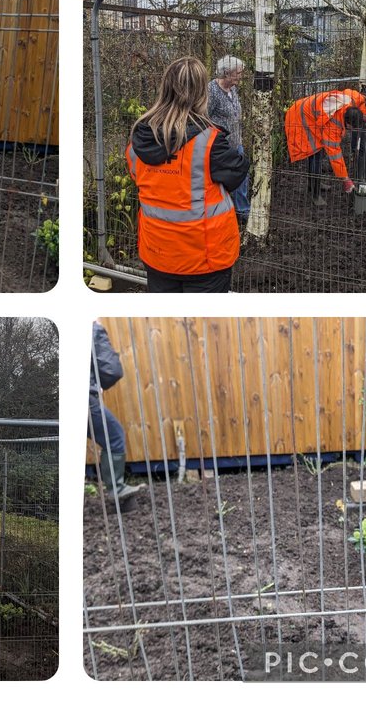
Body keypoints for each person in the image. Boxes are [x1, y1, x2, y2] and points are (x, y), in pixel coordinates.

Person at [127, 56, 250, 292]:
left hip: (157, 254)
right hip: (205, 259)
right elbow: (237, 172)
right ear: (201, 92)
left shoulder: (137, 141)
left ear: (164, 88)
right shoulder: (211, 143)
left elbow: (139, 177)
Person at [89, 321, 142, 513]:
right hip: (86, 398)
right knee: (115, 436)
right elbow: (112, 370)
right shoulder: (92, 327)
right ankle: (117, 490)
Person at [284, 88, 366, 204]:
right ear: (348, 123)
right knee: (315, 154)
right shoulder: (333, 125)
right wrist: (345, 179)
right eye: (352, 128)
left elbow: (360, 98)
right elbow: (335, 155)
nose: (352, 130)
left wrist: (365, 114)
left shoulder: (350, 101)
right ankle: (315, 194)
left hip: (313, 115)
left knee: (318, 153)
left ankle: (315, 183)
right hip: (300, 118)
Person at [207, 55, 250, 226]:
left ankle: (242, 210)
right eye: (237, 73)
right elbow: (204, 117)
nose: (240, 76)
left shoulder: (233, 89)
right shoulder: (211, 91)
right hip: (220, 146)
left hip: (236, 141)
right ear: (227, 73)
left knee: (242, 175)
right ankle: (224, 212)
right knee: (222, 180)